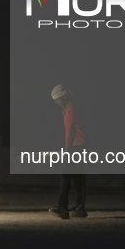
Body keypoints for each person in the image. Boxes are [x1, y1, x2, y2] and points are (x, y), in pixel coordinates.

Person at [48, 84, 88, 219]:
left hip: (77, 147)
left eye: (57, 99)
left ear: (64, 97)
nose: (56, 102)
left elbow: (70, 130)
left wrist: (67, 149)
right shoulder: (69, 108)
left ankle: (63, 207)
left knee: (67, 176)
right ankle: (79, 207)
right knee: (77, 178)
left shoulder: (71, 108)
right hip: (77, 146)